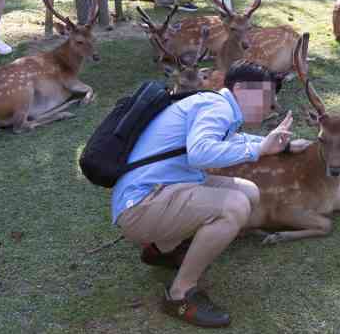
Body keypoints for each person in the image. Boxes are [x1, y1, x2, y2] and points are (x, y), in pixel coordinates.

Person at [112, 61, 311, 328]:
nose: (270, 106)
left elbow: (233, 142)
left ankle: (163, 249)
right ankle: (179, 295)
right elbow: (200, 152)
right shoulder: (215, 107)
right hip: (142, 205)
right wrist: (260, 149)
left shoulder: (216, 105)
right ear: (240, 89)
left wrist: (278, 148)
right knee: (234, 206)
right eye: (265, 98)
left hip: (159, 193)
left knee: (248, 192)